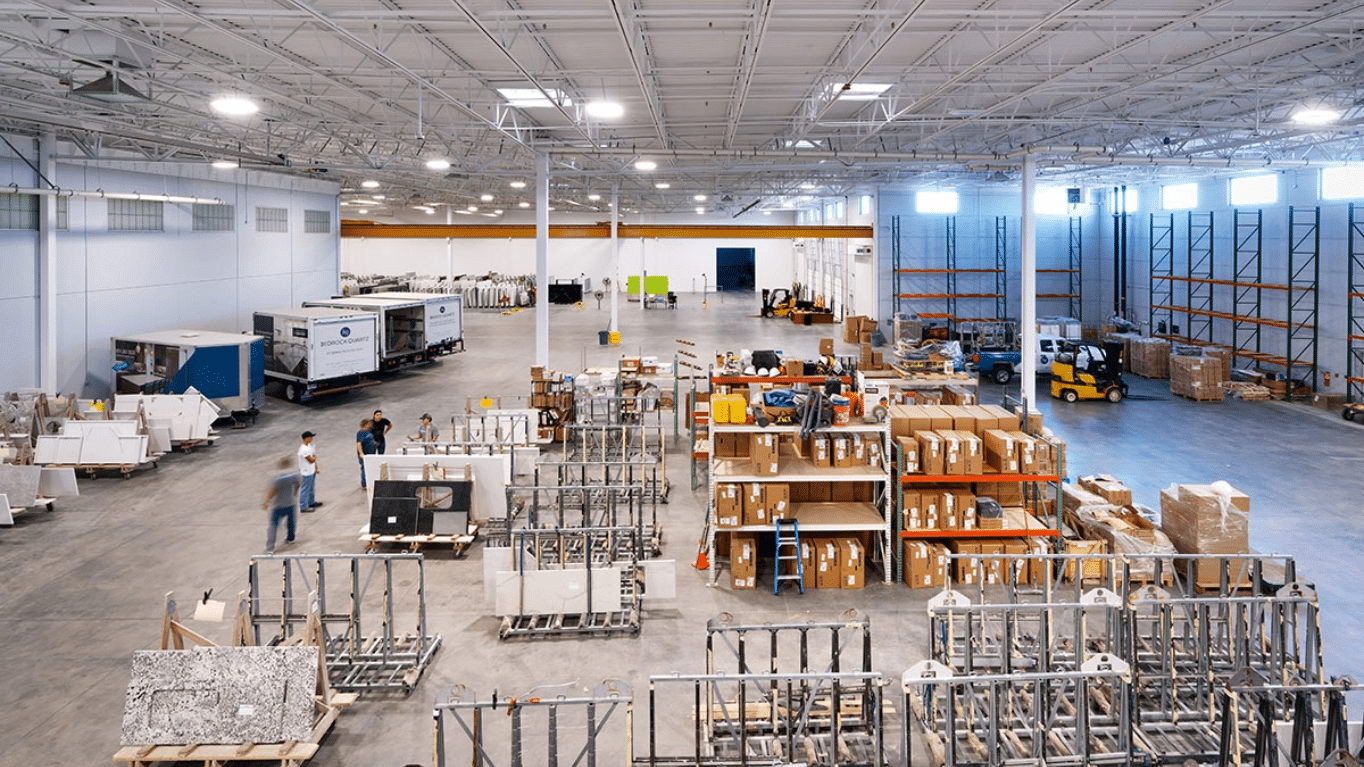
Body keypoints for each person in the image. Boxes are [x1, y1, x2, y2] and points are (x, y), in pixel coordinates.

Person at [263, 455, 301, 554]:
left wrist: (266, 502)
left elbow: (273, 491)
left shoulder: (277, 477)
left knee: (273, 526)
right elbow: (298, 483)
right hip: (290, 503)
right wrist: (295, 492)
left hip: (278, 505)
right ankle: (291, 538)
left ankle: (270, 547)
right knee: (291, 522)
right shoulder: (293, 474)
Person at [297, 431, 322, 512]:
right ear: (306, 438)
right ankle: (303, 506)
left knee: (311, 488)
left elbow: (313, 458)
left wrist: (316, 468)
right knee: (305, 489)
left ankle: (311, 502)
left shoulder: (309, 446)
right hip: (306, 472)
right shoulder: (303, 449)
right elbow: (311, 460)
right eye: (310, 437)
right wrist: (315, 458)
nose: (311, 439)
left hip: (311, 471)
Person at [356, 418, 378, 488]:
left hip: (371, 453)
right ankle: (364, 484)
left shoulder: (369, 431)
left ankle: (370, 481)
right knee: (364, 468)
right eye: (369, 424)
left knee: (370, 467)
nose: (371, 425)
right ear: (366, 425)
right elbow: (359, 444)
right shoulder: (361, 433)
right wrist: (361, 453)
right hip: (365, 454)